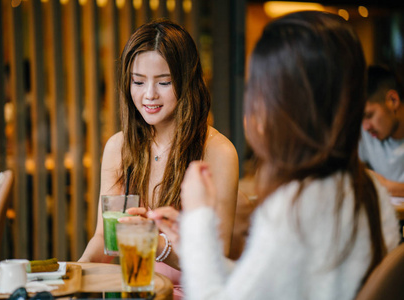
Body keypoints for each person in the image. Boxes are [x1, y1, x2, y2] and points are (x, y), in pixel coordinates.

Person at [149, 11, 400, 300]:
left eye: (256, 88)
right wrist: (194, 242)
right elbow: (263, 287)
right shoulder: (367, 192)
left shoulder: (293, 208)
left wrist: (198, 215)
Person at [78, 19, 239, 299]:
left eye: (164, 82)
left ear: (186, 81)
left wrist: (156, 243)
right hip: (135, 291)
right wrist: (74, 274)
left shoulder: (218, 152)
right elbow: (104, 238)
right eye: (138, 82)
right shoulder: (119, 147)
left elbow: (216, 259)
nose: (149, 95)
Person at [359, 65, 404, 197]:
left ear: (393, 100)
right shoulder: (366, 134)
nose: (365, 127)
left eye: (369, 115)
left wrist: (385, 186)